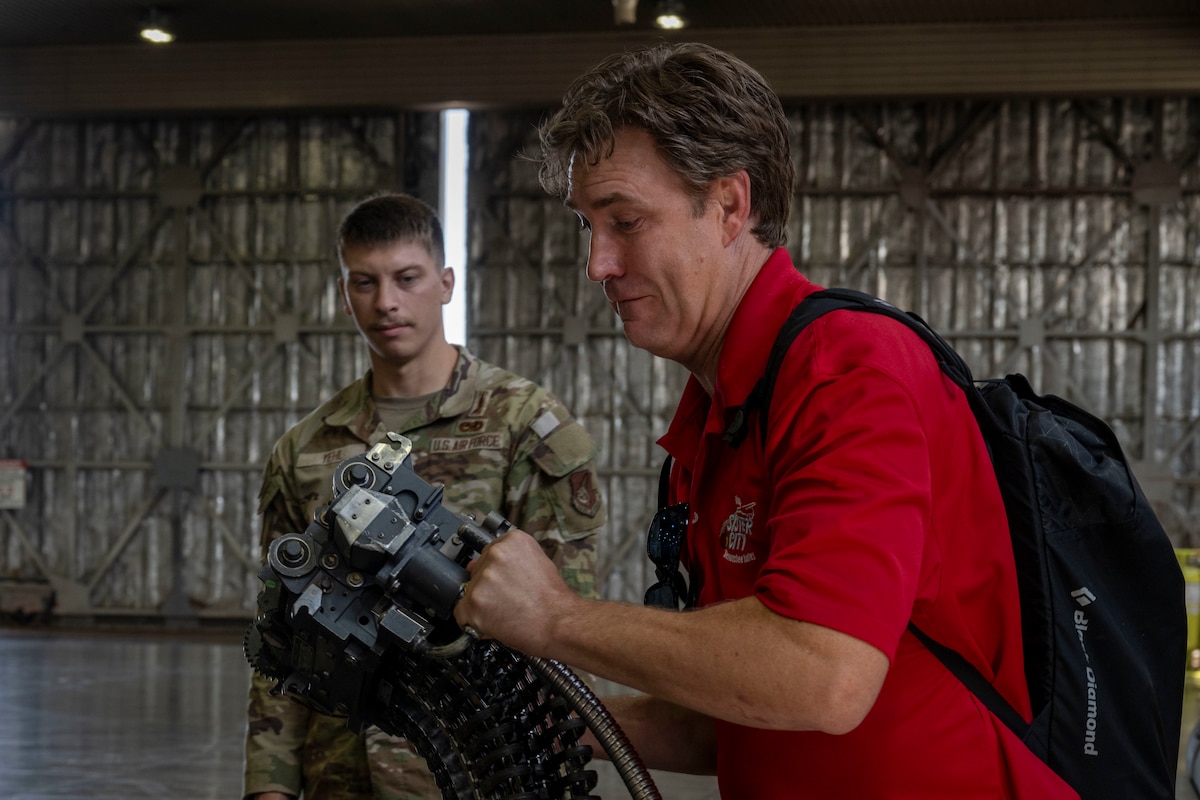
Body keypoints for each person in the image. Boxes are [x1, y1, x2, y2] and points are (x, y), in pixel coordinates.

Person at [453, 42, 1079, 799]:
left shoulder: (847, 370)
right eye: (590, 228)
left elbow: (822, 674)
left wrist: (555, 618)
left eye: (625, 222)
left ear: (729, 207)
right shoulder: (723, 416)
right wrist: (563, 720)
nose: (599, 265)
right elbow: (738, 710)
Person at [242, 192, 606, 800]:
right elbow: (280, 643)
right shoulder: (305, 449)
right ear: (344, 292)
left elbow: (566, 633)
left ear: (444, 283)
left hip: (475, 777)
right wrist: (269, 787)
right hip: (340, 777)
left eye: (406, 278)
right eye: (365, 282)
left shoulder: (525, 425)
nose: (386, 301)